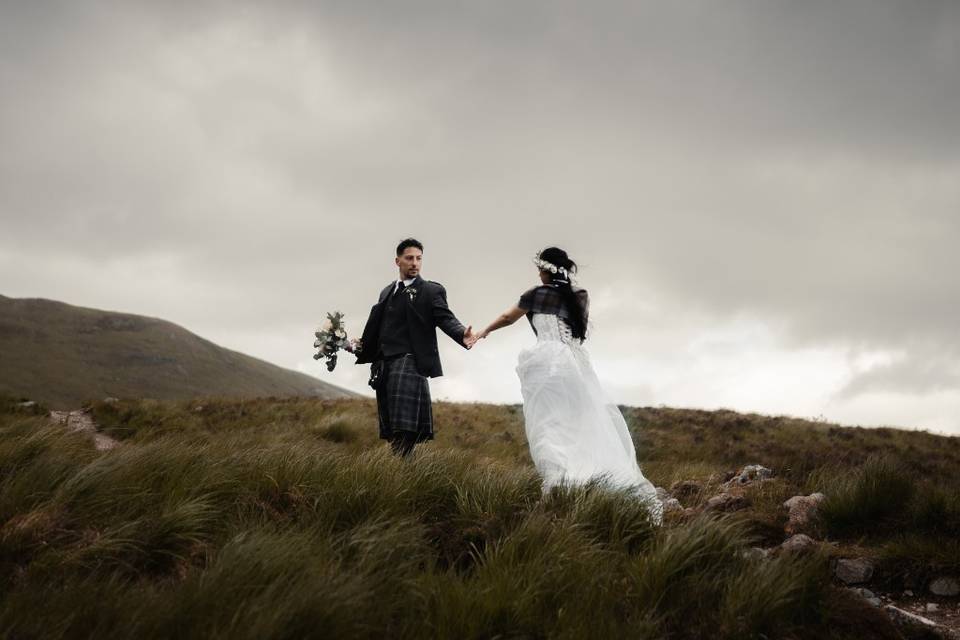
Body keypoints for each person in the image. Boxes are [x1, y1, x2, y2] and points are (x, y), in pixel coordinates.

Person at [476, 247, 662, 524]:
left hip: (548, 363)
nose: (538, 274)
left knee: (550, 425)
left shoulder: (536, 294)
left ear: (546, 270)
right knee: (581, 424)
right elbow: (579, 332)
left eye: (539, 269)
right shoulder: (579, 297)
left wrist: (483, 331)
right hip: (576, 365)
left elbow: (507, 317)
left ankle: (561, 485)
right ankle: (591, 480)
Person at [352, 238, 477, 456]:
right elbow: (379, 327)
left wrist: (461, 334)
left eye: (419, 259)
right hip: (384, 365)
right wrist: (359, 346)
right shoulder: (386, 292)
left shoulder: (430, 291)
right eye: (409, 258)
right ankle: (404, 471)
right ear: (397, 261)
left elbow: (445, 318)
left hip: (409, 362)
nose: (415, 263)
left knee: (404, 428)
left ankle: (404, 473)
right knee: (392, 428)